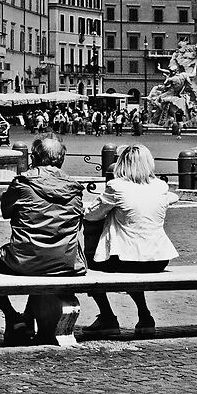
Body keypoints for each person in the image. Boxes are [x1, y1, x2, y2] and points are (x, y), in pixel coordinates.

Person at [0, 135, 85, 343]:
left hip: (26, 260)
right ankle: (28, 317)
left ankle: (12, 316)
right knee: (44, 261)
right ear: (62, 159)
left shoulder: (23, 183)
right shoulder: (75, 188)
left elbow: (5, 211)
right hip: (65, 261)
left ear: (34, 157)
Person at [78, 144, 177, 337]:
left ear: (122, 164)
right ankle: (144, 315)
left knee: (87, 265)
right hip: (158, 260)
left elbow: (91, 215)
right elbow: (172, 197)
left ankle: (107, 316)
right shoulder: (160, 186)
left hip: (127, 259)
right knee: (132, 265)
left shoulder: (117, 187)